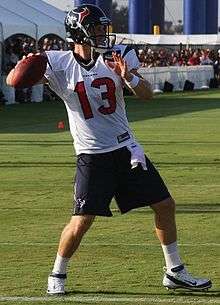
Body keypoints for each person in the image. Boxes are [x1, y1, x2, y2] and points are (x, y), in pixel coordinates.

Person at [6, 4, 212, 295]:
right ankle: (57, 273)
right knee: (82, 220)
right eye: (97, 29)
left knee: (165, 205)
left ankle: (175, 271)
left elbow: (147, 95)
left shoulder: (119, 54)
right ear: (78, 32)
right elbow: (13, 81)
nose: (103, 33)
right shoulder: (56, 62)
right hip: (92, 154)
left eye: (104, 28)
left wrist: (130, 77)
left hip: (127, 149)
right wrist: (23, 67)